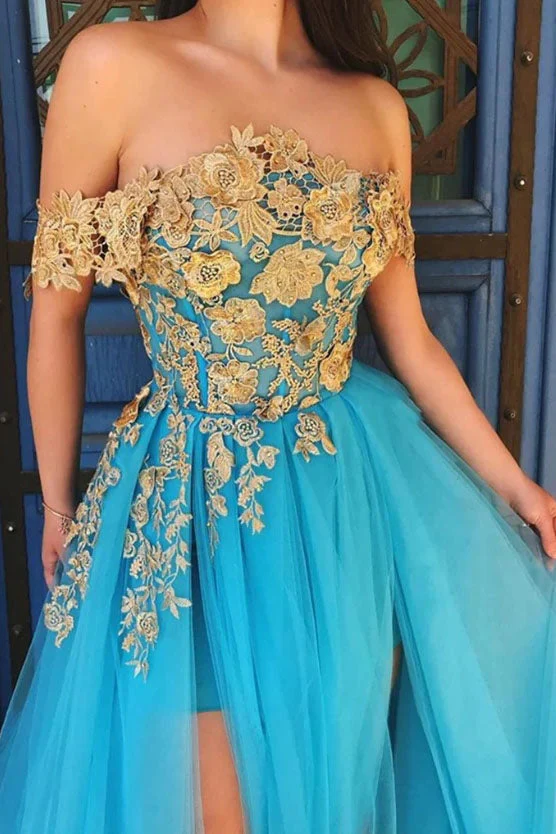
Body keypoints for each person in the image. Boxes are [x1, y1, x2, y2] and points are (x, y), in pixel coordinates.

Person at [1, 1, 556, 832]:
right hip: (182, 507)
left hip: (341, 512)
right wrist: (58, 504)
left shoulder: (375, 107)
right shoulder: (110, 66)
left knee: (325, 796)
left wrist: (519, 491)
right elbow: (56, 311)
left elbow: (409, 340)